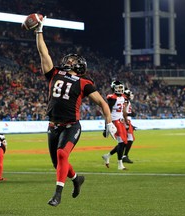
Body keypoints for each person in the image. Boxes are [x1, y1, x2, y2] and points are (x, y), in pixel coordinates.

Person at [34, 17, 117, 207]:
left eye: (72, 60)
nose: (68, 60)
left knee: (63, 155)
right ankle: (77, 179)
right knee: (58, 164)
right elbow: (43, 52)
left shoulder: (84, 82)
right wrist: (39, 31)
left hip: (72, 125)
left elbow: (103, 104)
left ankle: (57, 194)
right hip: (53, 125)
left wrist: (109, 122)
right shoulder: (54, 73)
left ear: (79, 66)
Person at [102, 81, 129, 170]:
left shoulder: (123, 97)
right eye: (118, 88)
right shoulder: (112, 98)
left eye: (121, 88)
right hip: (114, 121)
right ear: (113, 88)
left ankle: (107, 155)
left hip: (120, 122)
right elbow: (107, 112)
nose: (120, 89)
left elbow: (123, 110)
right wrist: (106, 126)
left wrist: (126, 122)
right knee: (121, 142)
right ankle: (120, 165)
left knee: (124, 143)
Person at [122, 88, 136, 163]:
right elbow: (123, 112)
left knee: (126, 140)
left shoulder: (125, 100)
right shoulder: (125, 100)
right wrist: (129, 115)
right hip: (125, 120)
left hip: (126, 120)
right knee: (128, 140)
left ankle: (124, 156)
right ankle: (124, 156)